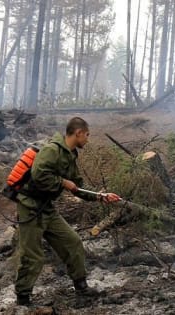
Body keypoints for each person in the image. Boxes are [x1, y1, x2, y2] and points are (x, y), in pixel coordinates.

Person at [14, 116, 121, 307]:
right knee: (33, 257)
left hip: (46, 207)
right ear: (78, 133)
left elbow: (78, 186)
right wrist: (63, 182)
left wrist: (99, 196)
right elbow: (39, 175)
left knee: (72, 242)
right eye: (87, 135)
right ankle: (23, 300)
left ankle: (82, 289)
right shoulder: (52, 150)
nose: (87, 139)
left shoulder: (69, 154)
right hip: (30, 207)